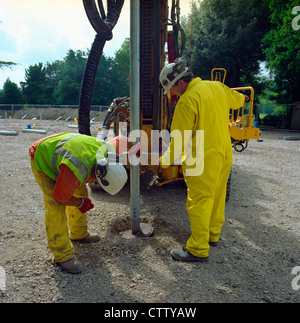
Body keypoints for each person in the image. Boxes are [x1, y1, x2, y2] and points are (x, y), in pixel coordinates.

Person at [159, 58, 248, 262]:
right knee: (217, 195)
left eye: (172, 89)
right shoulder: (217, 87)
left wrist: (163, 162)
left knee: (199, 201)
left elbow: (179, 141)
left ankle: (198, 249)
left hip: (201, 158)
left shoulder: (187, 100)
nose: (172, 94)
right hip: (223, 154)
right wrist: (243, 98)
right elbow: (238, 100)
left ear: (181, 82)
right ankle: (212, 235)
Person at [29, 132, 129, 274]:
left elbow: (122, 138)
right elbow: (60, 197)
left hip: (64, 151)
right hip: (42, 155)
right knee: (55, 207)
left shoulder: (109, 150)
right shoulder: (78, 168)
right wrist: (80, 203)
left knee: (81, 192)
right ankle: (62, 256)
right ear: (98, 175)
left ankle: (78, 234)